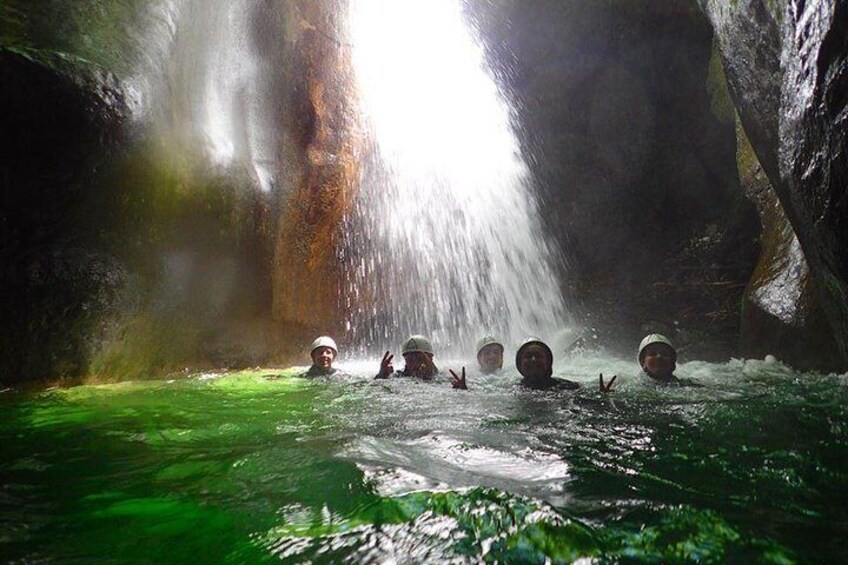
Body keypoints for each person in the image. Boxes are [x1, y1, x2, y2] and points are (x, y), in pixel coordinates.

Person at [515, 337, 580, 390]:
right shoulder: (512, 389)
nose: (533, 360)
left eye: (538, 356)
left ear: (548, 362)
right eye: (528, 356)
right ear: (520, 364)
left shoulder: (569, 387)